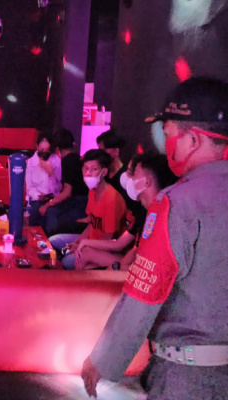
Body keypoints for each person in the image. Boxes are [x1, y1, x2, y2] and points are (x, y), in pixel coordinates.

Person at [82, 77, 228, 399]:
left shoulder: (175, 203)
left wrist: (102, 360)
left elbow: (144, 292)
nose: (165, 144)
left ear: (193, 139)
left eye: (168, 133)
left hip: (187, 377)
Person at [74, 154, 177, 270]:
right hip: (129, 263)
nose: (129, 179)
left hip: (139, 269)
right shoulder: (143, 209)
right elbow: (132, 248)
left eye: (133, 174)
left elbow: (138, 258)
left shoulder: (162, 216)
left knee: (83, 255)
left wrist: (116, 268)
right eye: (85, 168)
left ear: (147, 181)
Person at [49, 149, 127, 269]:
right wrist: (77, 243)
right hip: (89, 240)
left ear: (104, 172)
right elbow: (92, 224)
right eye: (85, 168)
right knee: (53, 241)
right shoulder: (92, 191)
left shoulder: (112, 199)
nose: (88, 173)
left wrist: (82, 247)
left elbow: (109, 240)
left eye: (94, 169)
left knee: (66, 262)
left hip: (101, 249)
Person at [97, 129, 148, 246]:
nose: (99, 155)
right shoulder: (104, 176)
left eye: (102, 151)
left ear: (116, 151)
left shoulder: (125, 178)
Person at [39, 129, 89, 235]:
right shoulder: (78, 158)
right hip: (83, 201)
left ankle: (51, 242)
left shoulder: (67, 161)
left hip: (78, 203)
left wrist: (48, 204)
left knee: (51, 211)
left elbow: (67, 192)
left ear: (57, 148)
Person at [24, 132, 62, 227]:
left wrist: (51, 173)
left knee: (51, 214)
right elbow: (29, 187)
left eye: (47, 150)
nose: (44, 153)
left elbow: (60, 185)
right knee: (35, 210)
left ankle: (50, 236)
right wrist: (38, 196)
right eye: (41, 150)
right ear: (37, 147)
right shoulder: (30, 163)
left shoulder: (56, 161)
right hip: (37, 198)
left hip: (53, 198)